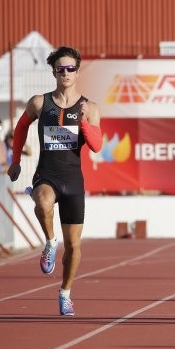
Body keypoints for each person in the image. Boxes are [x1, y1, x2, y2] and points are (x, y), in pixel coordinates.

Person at [7, 46, 103, 316]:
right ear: (53, 72)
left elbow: (96, 146)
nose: (65, 73)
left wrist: (84, 123)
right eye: (60, 69)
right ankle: (50, 241)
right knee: (42, 201)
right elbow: (21, 127)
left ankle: (65, 293)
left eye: (70, 68)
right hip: (46, 174)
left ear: (77, 71)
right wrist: (15, 160)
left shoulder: (90, 107)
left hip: (73, 180)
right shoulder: (40, 102)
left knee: (73, 247)